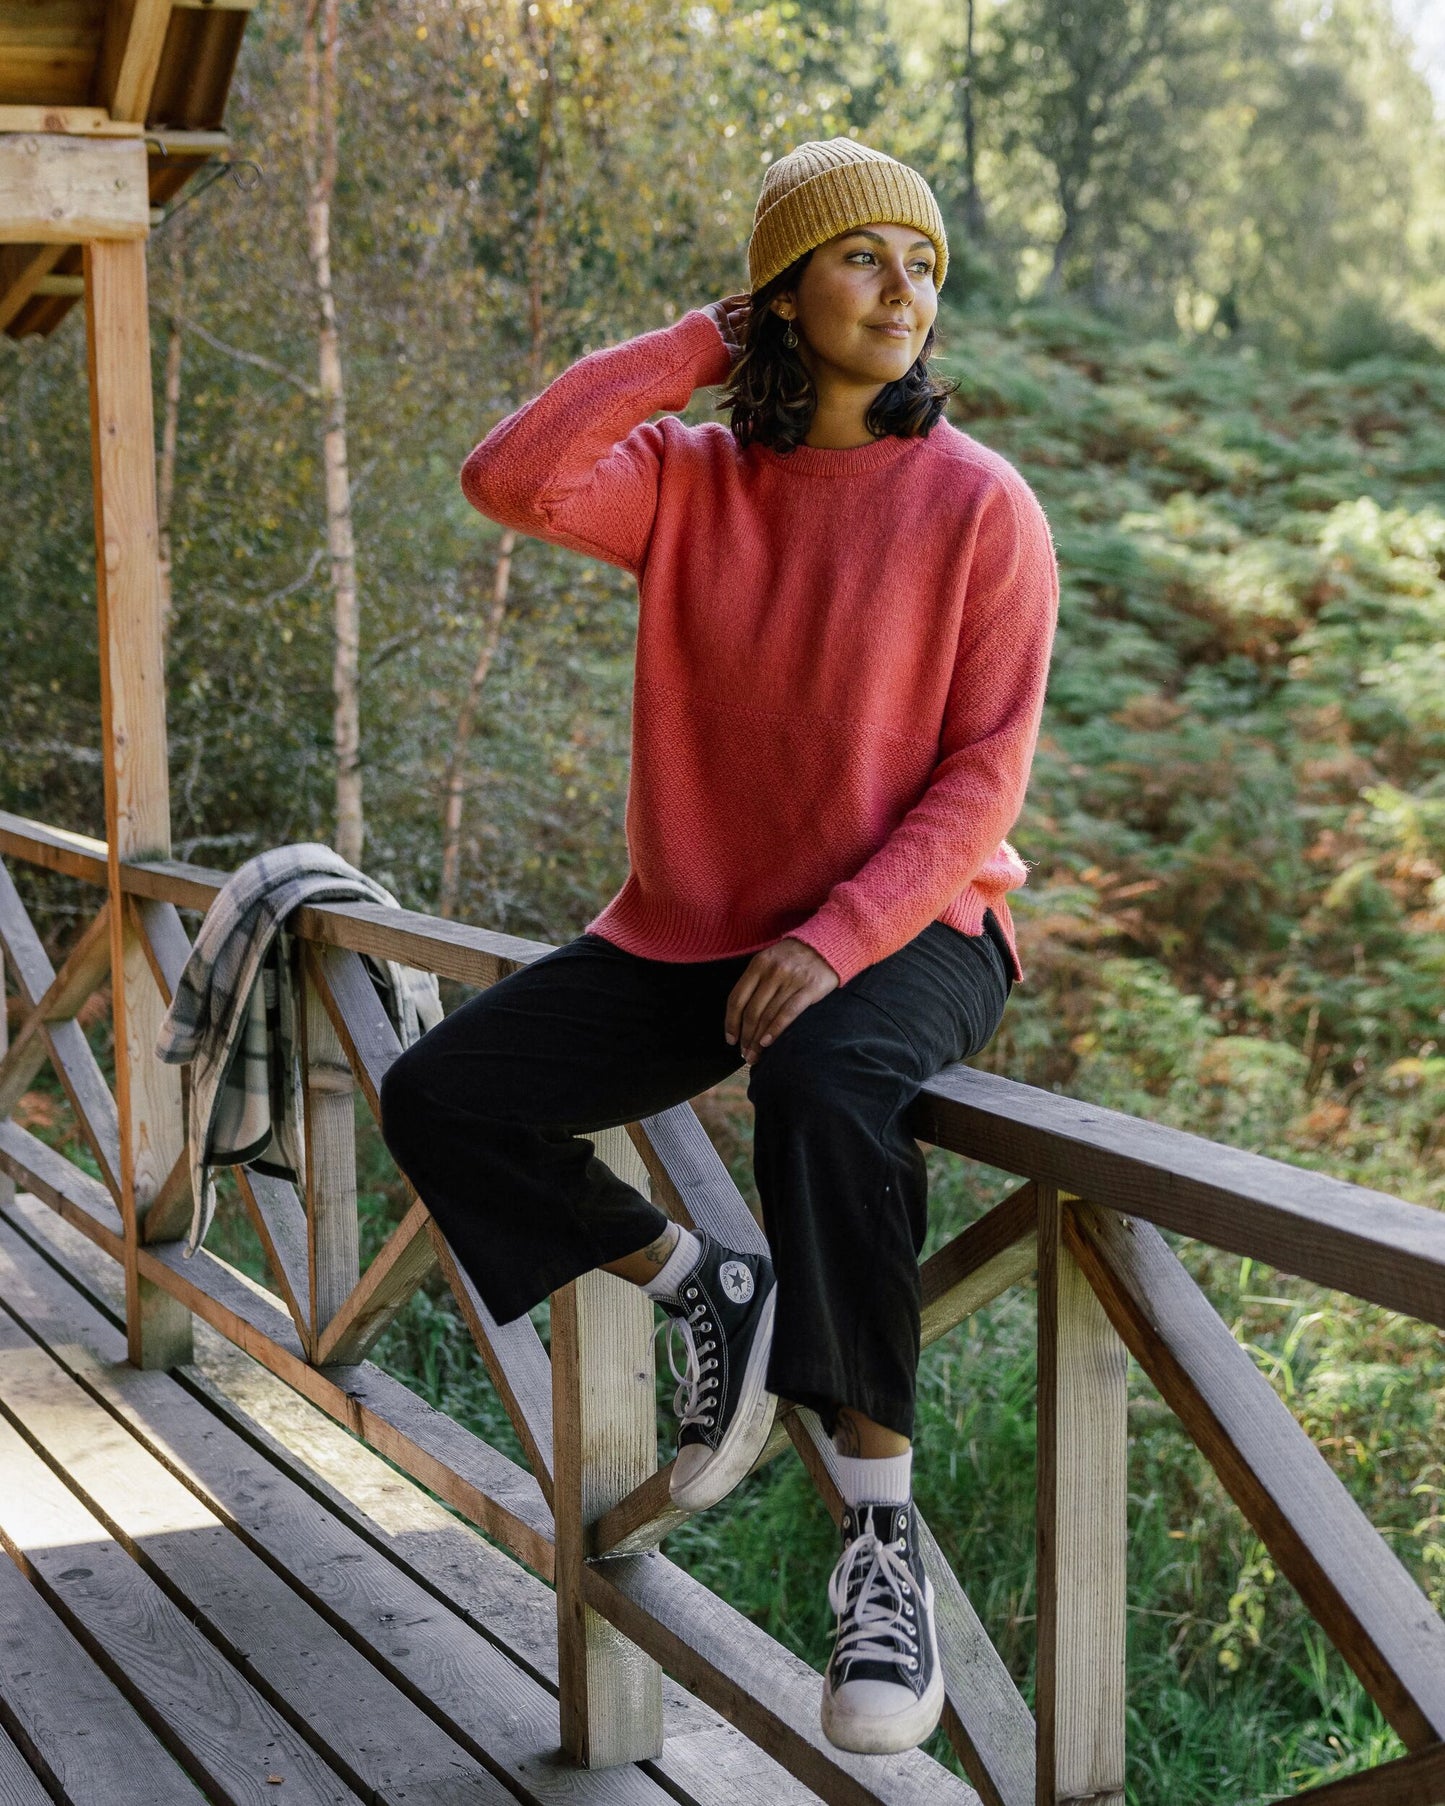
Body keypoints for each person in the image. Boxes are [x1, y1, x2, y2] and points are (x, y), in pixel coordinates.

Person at [379, 134, 1059, 1757]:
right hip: (700, 923)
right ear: (779, 294)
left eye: (923, 266)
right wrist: (698, 340)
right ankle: (707, 1285)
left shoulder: (979, 503)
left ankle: (878, 1545)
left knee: (822, 1082)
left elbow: (984, 777)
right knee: (440, 1094)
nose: (902, 292)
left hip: (917, 920)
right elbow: (509, 477)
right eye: (861, 258)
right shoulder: (693, 480)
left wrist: (837, 937)